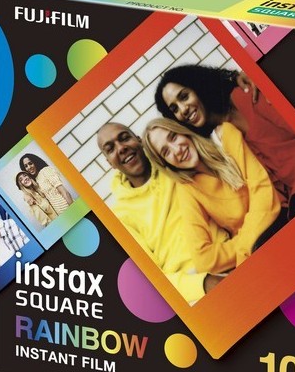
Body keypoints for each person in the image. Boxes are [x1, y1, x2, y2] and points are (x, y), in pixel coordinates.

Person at [154, 64, 295, 216]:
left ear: (198, 86)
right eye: (174, 109)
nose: (183, 110)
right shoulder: (219, 142)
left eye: (184, 96)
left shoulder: (247, 94)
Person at [96, 122, 226, 305]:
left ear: (139, 140)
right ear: (110, 163)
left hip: (229, 253)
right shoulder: (119, 216)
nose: (121, 148)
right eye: (110, 149)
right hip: (193, 287)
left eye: (124, 138)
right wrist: (203, 283)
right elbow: (151, 277)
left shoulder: (172, 162)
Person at [143, 117, 281, 275]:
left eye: (173, 137)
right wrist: (246, 245)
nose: (177, 150)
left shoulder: (225, 136)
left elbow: (263, 193)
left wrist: (244, 248)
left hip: (280, 224)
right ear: (166, 164)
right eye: (166, 152)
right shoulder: (188, 188)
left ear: (184, 132)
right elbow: (204, 259)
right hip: (254, 253)